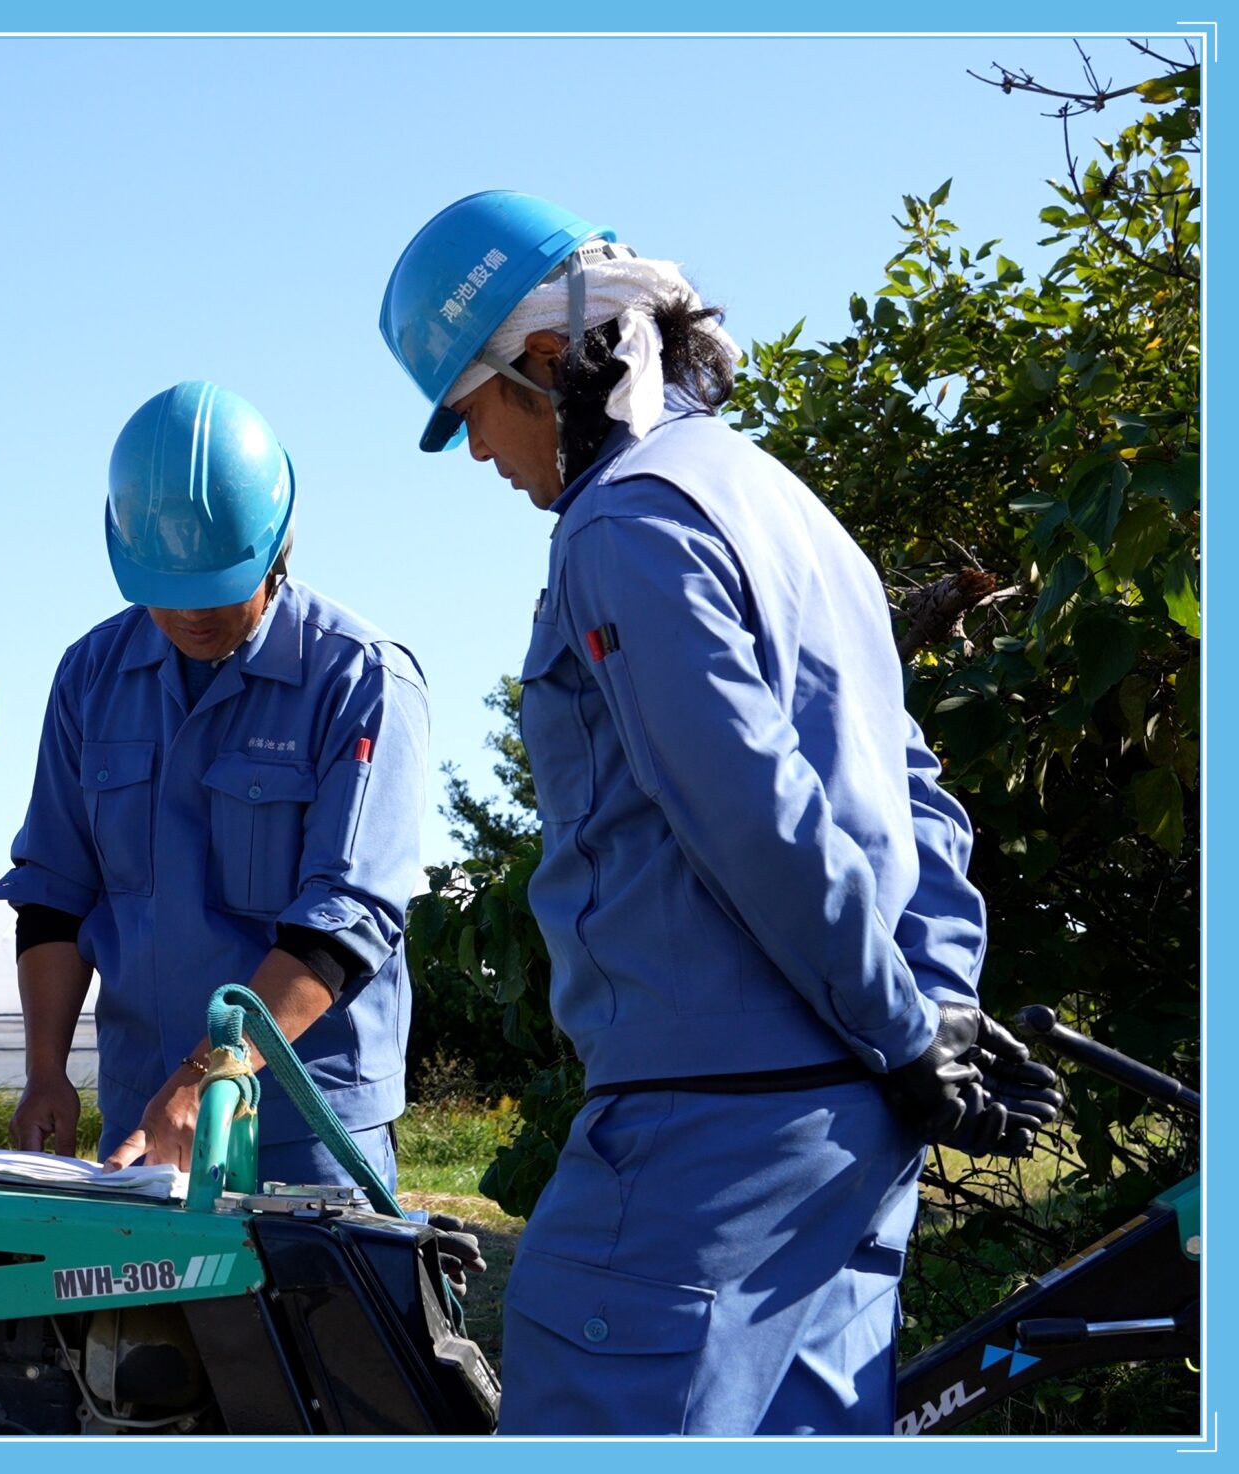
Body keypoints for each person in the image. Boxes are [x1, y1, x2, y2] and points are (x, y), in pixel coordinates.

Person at [379, 191, 1061, 1434]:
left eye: (472, 411)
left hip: (704, 1136)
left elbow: (746, 804)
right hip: (849, 1136)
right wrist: (927, 1012)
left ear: (545, 360)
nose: (479, 452)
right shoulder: (791, 511)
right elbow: (918, 797)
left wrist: (907, 1030)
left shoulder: (623, 520)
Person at [0, 380, 432, 1194]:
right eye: (162, 589)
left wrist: (208, 1078)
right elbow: (54, 894)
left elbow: (344, 924)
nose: (189, 616)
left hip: (305, 1124)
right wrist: (46, 1070)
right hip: (141, 1120)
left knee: (315, 1323)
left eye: (215, 589)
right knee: (141, 1323)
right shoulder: (92, 675)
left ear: (274, 547)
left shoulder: (359, 681)